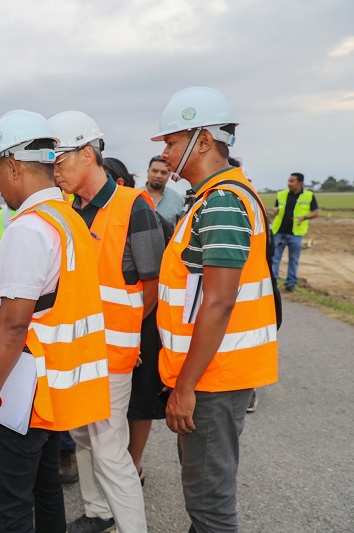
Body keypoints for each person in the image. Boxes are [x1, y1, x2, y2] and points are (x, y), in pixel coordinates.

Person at [0, 110, 110, 533]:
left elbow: (13, 325)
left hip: (25, 390)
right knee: (46, 489)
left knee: (10, 507)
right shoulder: (70, 219)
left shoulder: (28, 229)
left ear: (13, 165)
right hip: (55, 391)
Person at [153, 87, 278, 532]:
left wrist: (185, 387)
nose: (166, 153)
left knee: (210, 510)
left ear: (202, 141)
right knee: (207, 503)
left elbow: (220, 302)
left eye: (171, 141)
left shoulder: (223, 201)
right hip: (211, 373)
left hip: (213, 378)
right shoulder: (213, 198)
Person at [49, 111, 163, 533]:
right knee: (81, 435)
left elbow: (152, 288)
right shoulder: (68, 208)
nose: (53, 170)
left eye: (59, 161)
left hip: (112, 353)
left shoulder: (134, 207)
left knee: (110, 448)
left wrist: (124, 332)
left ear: (85, 154)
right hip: (76, 351)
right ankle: (98, 511)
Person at [104, 158, 175, 487]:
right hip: (113, 322)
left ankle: (133, 463)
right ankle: (113, 460)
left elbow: (158, 283)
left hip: (144, 322)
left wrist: (133, 333)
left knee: (141, 399)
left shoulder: (154, 222)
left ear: (119, 184)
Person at [271, 172, 318, 292]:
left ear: (300, 183)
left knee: (294, 260)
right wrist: (275, 210)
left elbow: (315, 212)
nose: (289, 183)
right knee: (275, 258)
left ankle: (290, 284)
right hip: (279, 232)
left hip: (296, 234)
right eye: (289, 181)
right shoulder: (281, 194)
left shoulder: (309, 195)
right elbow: (276, 209)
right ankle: (272, 283)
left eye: (292, 181)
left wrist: (304, 217)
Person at [145, 155, 185, 227]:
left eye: (163, 172)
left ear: (169, 175)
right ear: (148, 172)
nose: (158, 176)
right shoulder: (136, 196)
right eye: (155, 171)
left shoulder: (178, 200)